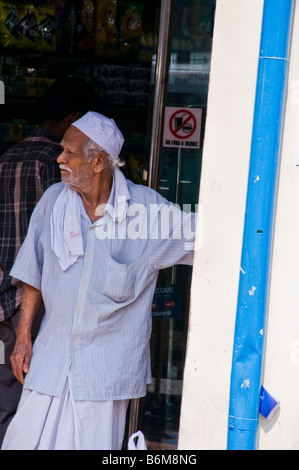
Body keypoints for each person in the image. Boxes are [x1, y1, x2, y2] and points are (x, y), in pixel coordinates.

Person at [1, 111, 196, 451]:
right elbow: (33, 272)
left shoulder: (146, 211)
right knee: (22, 441)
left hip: (104, 374)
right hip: (50, 360)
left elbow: (205, 239)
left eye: (69, 153)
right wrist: (22, 338)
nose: (59, 159)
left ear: (99, 162)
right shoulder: (53, 201)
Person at [0, 78, 101, 447]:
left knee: (7, 394)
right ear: (74, 119)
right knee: (38, 398)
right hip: (37, 300)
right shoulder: (56, 163)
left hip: (4, 297)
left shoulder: (7, 156)